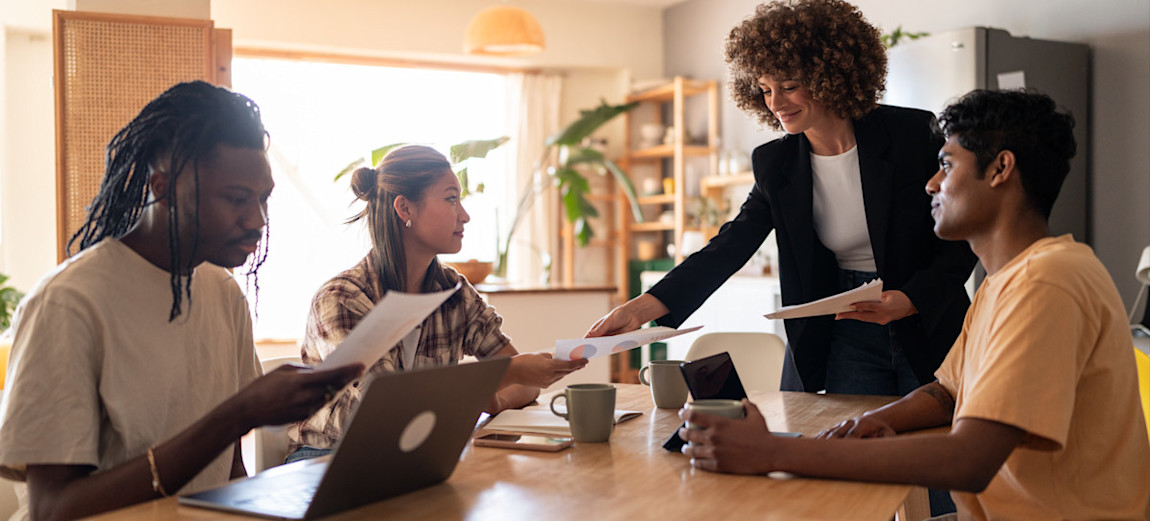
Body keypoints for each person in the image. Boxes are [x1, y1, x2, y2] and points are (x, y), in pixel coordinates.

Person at [680, 89, 1150, 520]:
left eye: (946, 165)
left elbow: (969, 460)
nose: (930, 183)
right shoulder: (1004, 283)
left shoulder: (1045, 282)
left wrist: (773, 452)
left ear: (1000, 169)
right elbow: (948, 393)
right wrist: (874, 421)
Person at [0, 81, 363, 521]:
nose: (257, 219)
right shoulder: (69, 304)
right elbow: (52, 509)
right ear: (163, 188)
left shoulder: (222, 292)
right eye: (236, 199)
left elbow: (229, 471)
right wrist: (237, 415)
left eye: (263, 198)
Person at [587, 0, 976, 398]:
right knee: (855, 433)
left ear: (831, 76)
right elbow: (730, 244)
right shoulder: (776, 163)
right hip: (843, 324)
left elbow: (969, 227)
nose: (775, 103)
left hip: (928, 315)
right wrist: (640, 308)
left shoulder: (911, 134)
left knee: (940, 429)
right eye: (765, 90)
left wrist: (913, 299)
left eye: (789, 87)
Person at [286, 145, 587, 462]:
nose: (465, 215)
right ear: (405, 209)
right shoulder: (342, 299)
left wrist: (496, 395)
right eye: (451, 198)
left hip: (415, 455)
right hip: (328, 457)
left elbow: (526, 385)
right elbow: (388, 409)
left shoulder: (453, 290)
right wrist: (505, 375)